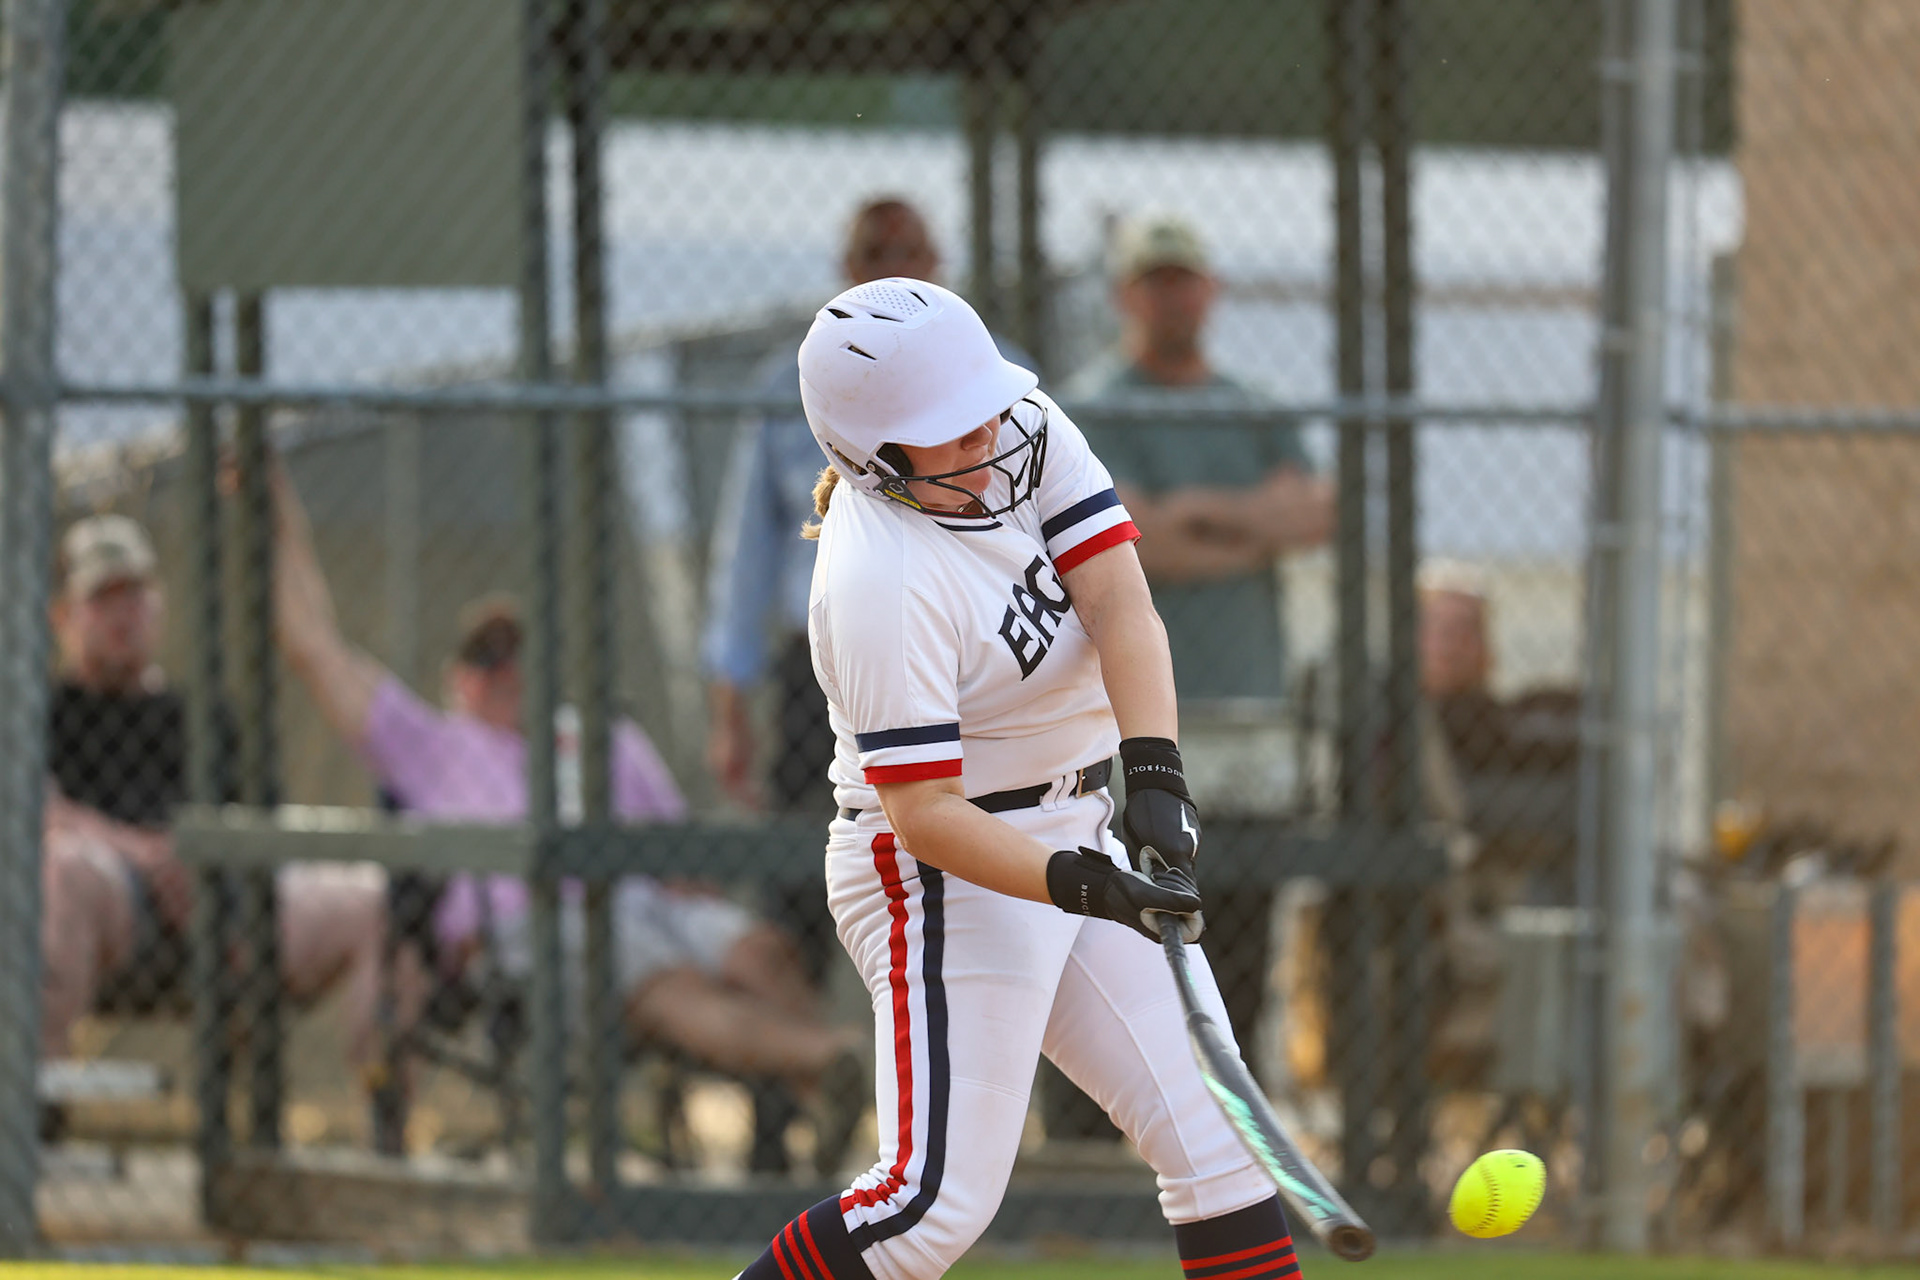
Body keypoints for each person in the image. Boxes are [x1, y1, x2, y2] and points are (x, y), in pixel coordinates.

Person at [731, 278, 1300, 1280]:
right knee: (927, 1207)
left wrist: (1155, 777)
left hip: (1073, 821)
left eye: (983, 406)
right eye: (951, 430)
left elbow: (1120, 601)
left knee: (1220, 1140)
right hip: (944, 877)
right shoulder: (877, 582)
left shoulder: (1022, 429)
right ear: (876, 459)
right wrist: (1082, 882)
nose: (987, 435)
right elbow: (925, 813)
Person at [265, 461, 865, 1172]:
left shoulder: (605, 740)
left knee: (762, 952)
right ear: (457, 679)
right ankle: (840, 1061)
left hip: (651, 900)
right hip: (538, 925)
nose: (505, 669)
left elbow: (681, 850)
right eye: (485, 657)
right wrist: (275, 509)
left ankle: (819, 1106)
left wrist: (688, 887)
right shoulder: (431, 746)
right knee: (671, 986)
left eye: (516, 652)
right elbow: (314, 646)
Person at [1051, 212, 1334, 1140]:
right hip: (1126, 727)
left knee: (1238, 933)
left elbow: (1313, 513)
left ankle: (1223, 1132)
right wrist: (1245, 528)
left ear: (1210, 290)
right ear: (1125, 294)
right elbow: (1128, 545)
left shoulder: (1252, 404)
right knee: (1116, 937)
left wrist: (1191, 517)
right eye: (1154, 281)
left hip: (1247, 720)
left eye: (1185, 279)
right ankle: (1096, 1148)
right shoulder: (1095, 406)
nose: (1172, 298)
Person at [704, 196, 1034, 816]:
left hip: (968, 648)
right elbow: (747, 549)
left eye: (910, 252)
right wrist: (730, 702)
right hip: (831, 658)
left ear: (936, 262)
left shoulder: (1002, 372)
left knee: (977, 827)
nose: (894, 269)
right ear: (847, 268)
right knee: (827, 836)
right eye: (876, 254)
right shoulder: (793, 384)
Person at [39, 514, 386, 1065]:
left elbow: (262, 820)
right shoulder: (44, 713)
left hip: (220, 903)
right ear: (63, 616)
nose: (124, 614)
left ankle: (383, 1107)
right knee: (66, 867)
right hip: (117, 896)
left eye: (136, 595)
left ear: (159, 604)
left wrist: (210, 864)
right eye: (103, 598)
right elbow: (36, 812)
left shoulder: (202, 714)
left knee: (374, 899)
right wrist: (147, 856)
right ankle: (36, 1097)